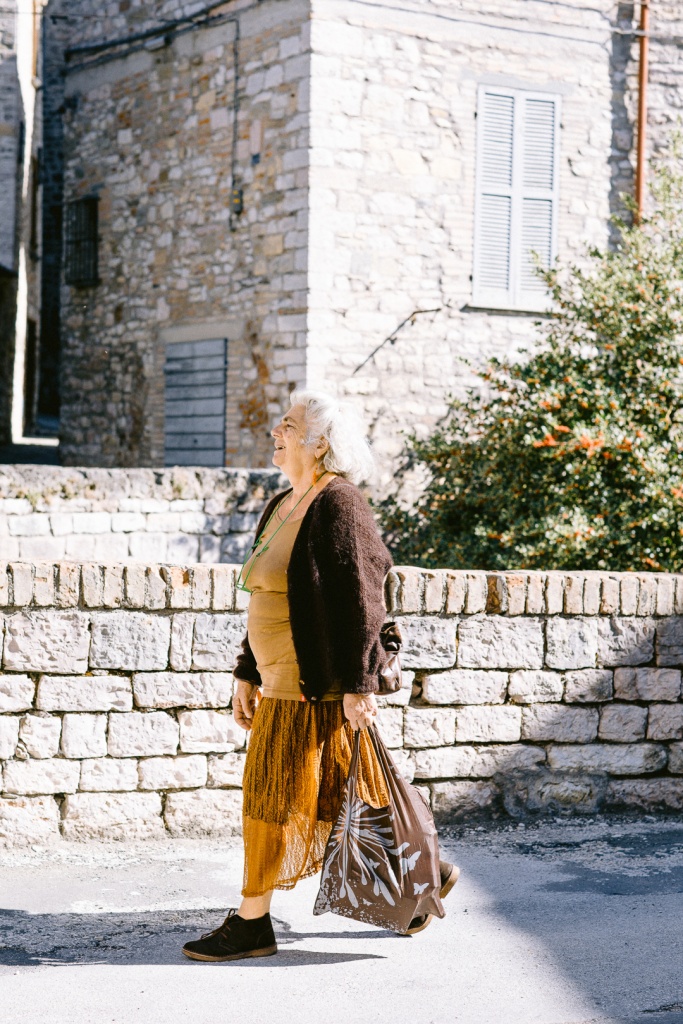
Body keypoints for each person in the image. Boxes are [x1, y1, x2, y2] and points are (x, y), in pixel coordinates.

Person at [182, 390, 459, 963]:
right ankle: (425, 871)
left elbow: (362, 599)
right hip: (279, 678)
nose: (275, 432)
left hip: (315, 686)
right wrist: (246, 672)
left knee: (268, 797)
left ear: (320, 443)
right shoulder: (282, 503)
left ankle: (252, 923)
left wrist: (358, 686)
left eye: (288, 425)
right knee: (340, 794)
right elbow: (267, 597)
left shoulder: (339, 504)